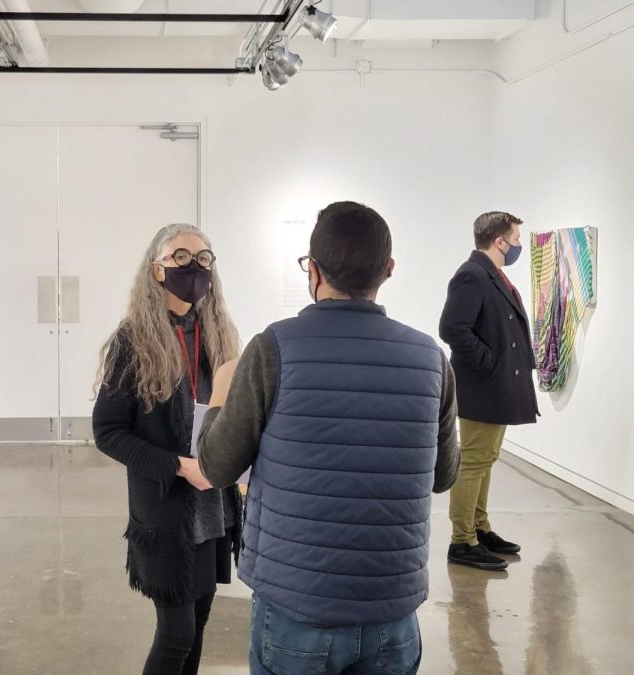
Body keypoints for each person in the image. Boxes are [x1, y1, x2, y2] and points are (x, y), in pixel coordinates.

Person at [197, 201, 459, 675]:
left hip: (297, 607)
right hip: (392, 611)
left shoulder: (273, 348)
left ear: (312, 270)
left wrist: (218, 395)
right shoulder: (431, 359)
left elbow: (217, 467)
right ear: (389, 270)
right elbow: (443, 476)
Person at [92, 223, 242, 675]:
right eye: (179, 256)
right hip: (167, 512)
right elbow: (108, 431)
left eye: (203, 258)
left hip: (213, 508)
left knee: (198, 623)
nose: (193, 266)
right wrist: (177, 466)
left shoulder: (220, 337)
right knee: (176, 634)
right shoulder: (133, 341)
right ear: (156, 270)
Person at [439, 211, 538, 571]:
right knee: (475, 460)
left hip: (497, 387)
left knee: (487, 458)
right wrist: (490, 364)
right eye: (516, 240)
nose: (518, 247)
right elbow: (452, 328)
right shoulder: (472, 274)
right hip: (483, 387)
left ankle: (479, 528)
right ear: (499, 241)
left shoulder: (491, 274)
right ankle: (462, 541)